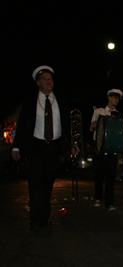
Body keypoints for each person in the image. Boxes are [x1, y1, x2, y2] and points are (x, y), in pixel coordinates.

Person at [11, 65, 78, 232]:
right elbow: (22, 126)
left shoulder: (60, 101)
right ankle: (36, 220)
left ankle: (45, 218)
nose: (49, 82)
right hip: (36, 147)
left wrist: (72, 145)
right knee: (36, 185)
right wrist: (16, 147)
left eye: (50, 79)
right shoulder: (31, 101)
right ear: (38, 83)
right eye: (45, 80)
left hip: (54, 147)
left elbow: (66, 126)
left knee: (48, 185)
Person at [90, 89, 123, 211]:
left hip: (111, 149)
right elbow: (91, 127)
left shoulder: (118, 114)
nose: (116, 100)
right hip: (99, 147)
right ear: (108, 97)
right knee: (98, 175)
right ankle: (98, 197)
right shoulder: (98, 111)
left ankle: (109, 202)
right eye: (114, 97)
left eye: (118, 98)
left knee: (110, 176)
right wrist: (96, 123)